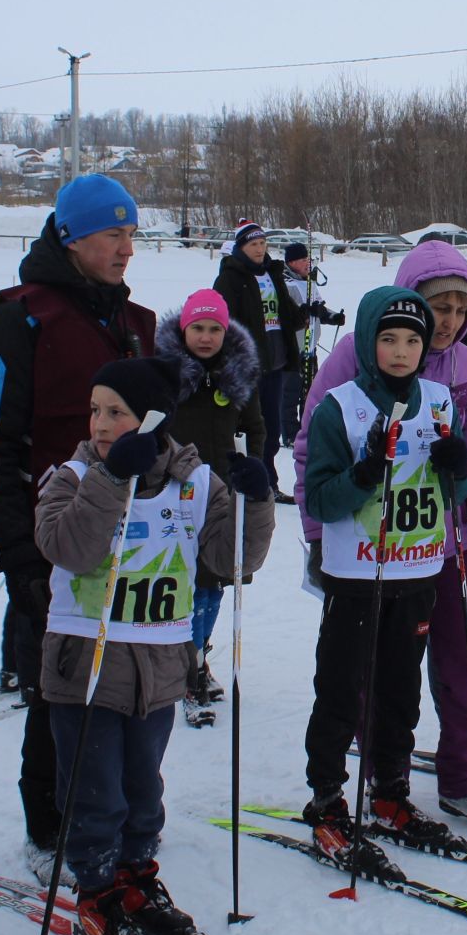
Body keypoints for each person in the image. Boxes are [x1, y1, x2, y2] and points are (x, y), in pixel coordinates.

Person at [34, 355, 267, 935]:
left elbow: (231, 560)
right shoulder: (72, 475)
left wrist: (256, 501)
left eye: (117, 412)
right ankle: (95, 887)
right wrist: (112, 480)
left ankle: (135, 877)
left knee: (143, 789)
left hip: (159, 668)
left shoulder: (195, 482)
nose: (101, 423)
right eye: (95, 410)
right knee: (94, 791)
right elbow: (69, 547)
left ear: (154, 418)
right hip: (85, 669)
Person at [295, 242, 467, 828]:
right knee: (373, 670)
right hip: (373, 550)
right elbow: (311, 448)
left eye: (459, 308)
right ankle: (380, 775)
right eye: (436, 306)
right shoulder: (356, 353)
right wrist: (319, 535)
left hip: (447, 544)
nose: (447, 321)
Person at [0, 173, 155, 883]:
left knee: (129, 677)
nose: (126, 248)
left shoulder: (138, 324)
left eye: (133, 234)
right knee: (62, 686)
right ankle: (50, 824)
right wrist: (17, 551)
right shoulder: (20, 317)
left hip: (135, 540)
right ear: (71, 236)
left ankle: (121, 812)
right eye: (113, 233)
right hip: (52, 539)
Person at [299, 288, 467, 874]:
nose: (402, 351)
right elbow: (322, 499)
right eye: (389, 339)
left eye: (413, 340)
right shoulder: (339, 407)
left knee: (401, 690)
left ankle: (390, 791)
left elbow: (456, 490)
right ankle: (327, 797)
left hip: (418, 571)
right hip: (357, 575)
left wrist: (459, 470)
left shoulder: (440, 402)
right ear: (369, 341)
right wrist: (364, 474)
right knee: (342, 688)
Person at [154, 291, 276, 726]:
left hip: (221, 494)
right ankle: (184, 669)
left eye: (214, 329)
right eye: (198, 328)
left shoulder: (237, 375)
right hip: (174, 494)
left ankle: (198, 659)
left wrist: (253, 469)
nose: (205, 338)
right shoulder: (165, 374)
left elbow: (256, 428)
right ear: (183, 330)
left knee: (215, 581)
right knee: (183, 583)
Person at [213, 223, 310, 502]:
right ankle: (240, 479)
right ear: (241, 247)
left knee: (271, 428)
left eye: (263, 243)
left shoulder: (273, 273)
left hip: (276, 361)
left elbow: (286, 313)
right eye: (253, 244)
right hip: (248, 364)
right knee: (248, 426)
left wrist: (303, 313)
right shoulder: (231, 277)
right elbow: (224, 321)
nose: (259, 249)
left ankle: (268, 481)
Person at [280, 242, 343, 449]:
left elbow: (319, 309)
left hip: (310, 348)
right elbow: (290, 314)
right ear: (291, 262)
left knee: (310, 390)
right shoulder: (285, 284)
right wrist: (306, 311)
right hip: (293, 348)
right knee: (291, 391)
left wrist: (332, 316)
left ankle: (306, 427)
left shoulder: (309, 282)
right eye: (302, 260)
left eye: (308, 259)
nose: (307, 263)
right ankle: (289, 432)